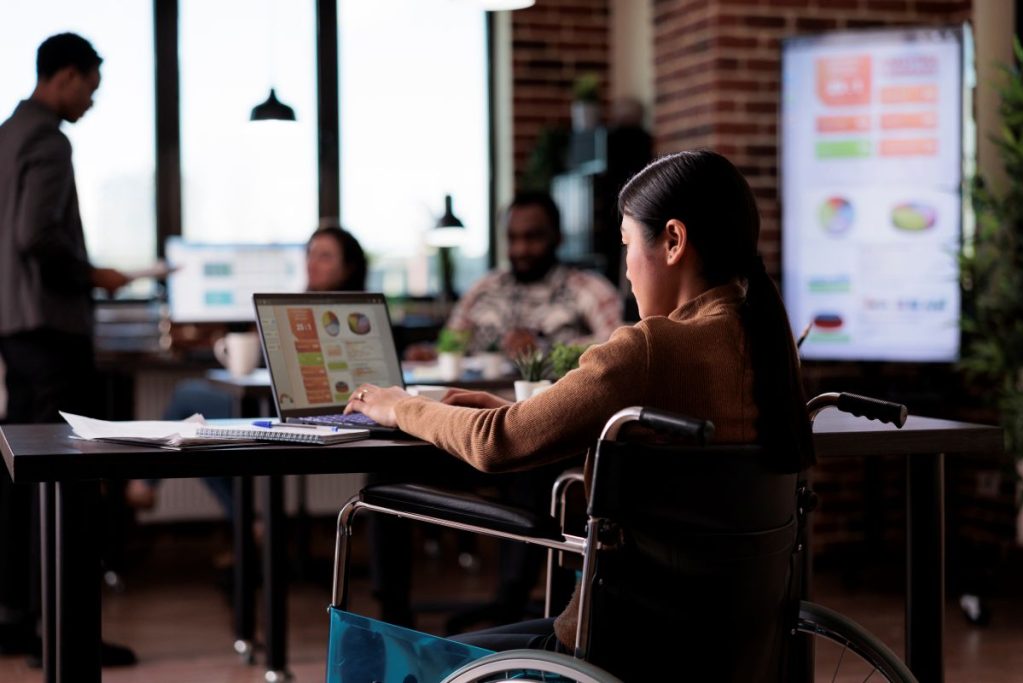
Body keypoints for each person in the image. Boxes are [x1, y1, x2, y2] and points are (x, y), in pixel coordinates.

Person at [345, 150, 816, 656]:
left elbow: (495, 443)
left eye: (628, 244)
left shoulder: (650, 347)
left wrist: (399, 407)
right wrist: (516, 407)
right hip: (732, 640)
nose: (628, 270)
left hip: (622, 639)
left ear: (674, 241)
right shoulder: (769, 343)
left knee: (430, 661)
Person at [0, 33, 134, 662]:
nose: (91, 103)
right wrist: (94, 274)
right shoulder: (50, 139)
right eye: (91, 89)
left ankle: (24, 622)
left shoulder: (6, 134)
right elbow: (36, 236)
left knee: (21, 479)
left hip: (15, 330)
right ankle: (66, 634)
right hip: (52, 331)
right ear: (66, 76)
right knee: (68, 480)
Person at [124, 224, 368, 512]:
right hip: (280, 404)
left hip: (301, 408)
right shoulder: (300, 308)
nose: (312, 263)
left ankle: (151, 487)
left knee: (188, 400)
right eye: (310, 254)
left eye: (325, 256)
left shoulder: (353, 317)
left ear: (349, 267)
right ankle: (248, 521)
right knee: (202, 433)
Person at [411, 191, 622, 359]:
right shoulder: (485, 288)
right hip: (478, 407)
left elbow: (620, 346)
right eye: (513, 238)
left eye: (532, 237)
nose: (521, 250)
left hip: (550, 407)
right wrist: (431, 354)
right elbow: (451, 343)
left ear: (558, 237)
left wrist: (547, 349)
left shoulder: (587, 288)